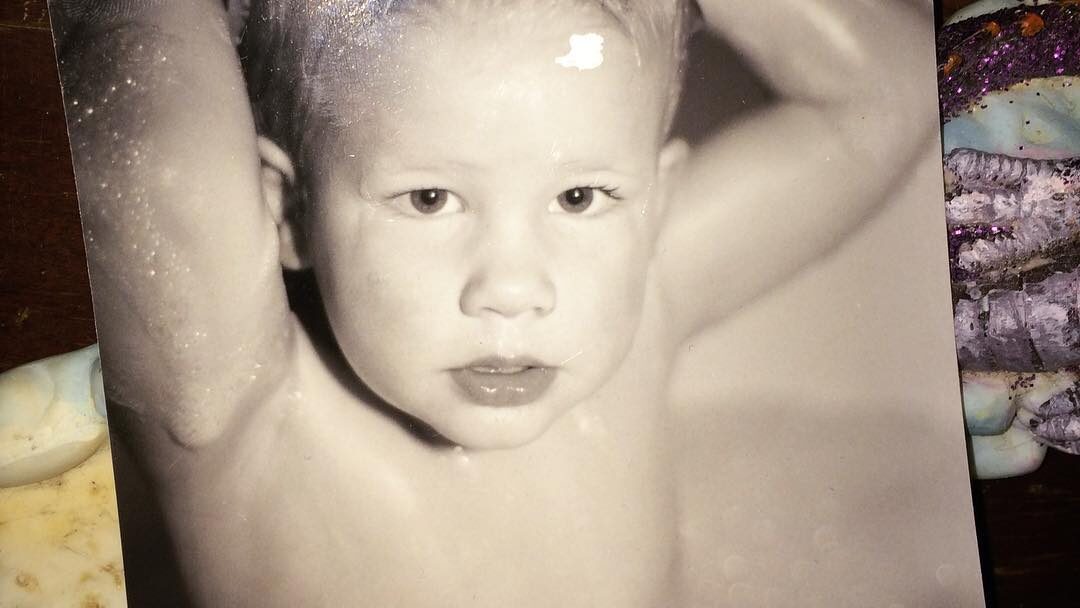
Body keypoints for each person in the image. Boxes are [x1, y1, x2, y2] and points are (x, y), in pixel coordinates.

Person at [45, 0, 930, 605]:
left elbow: (891, 94)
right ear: (286, 212)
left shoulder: (643, 305)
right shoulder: (237, 410)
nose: (513, 287)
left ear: (655, 205)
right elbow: (146, 173)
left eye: (580, 198)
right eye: (430, 199)